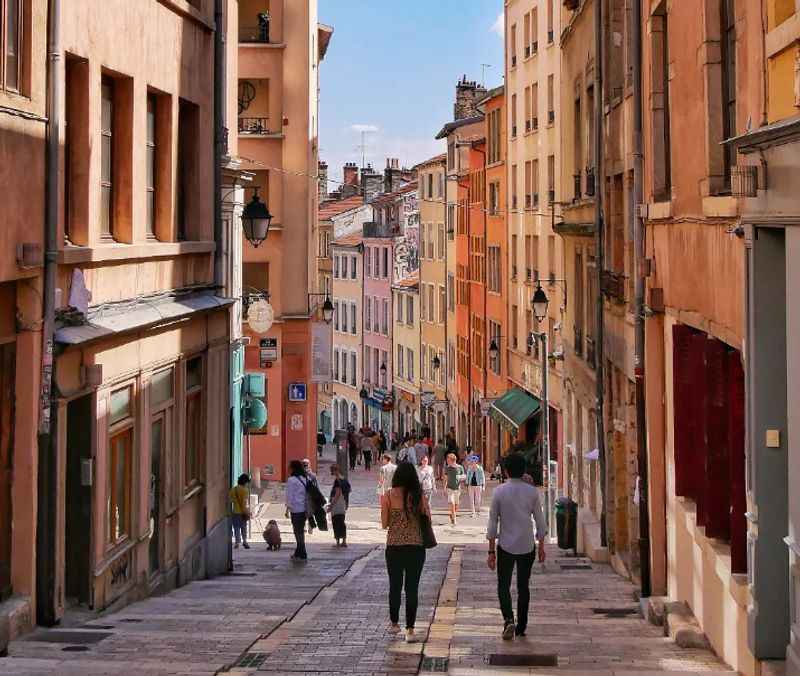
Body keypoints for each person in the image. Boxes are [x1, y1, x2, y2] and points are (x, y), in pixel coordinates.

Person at [486, 453, 547, 640]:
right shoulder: (532, 492)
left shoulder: (499, 492)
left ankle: (508, 620)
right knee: (523, 586)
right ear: (524, 471)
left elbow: (492, 523)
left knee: (503, 585)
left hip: (505, 545)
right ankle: (522, 625)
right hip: (527, 545)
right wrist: (542, 545)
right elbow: (540, 521)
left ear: (505, 471)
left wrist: (491, 550)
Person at [381, 462, 431, 643]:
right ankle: (410, 628)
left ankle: (394, 623)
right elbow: (428, 519)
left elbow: (384, 523)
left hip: (394, 547)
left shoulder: (388, 496)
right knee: (412, 588)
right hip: (416, 548)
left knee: (394, 586)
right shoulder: (419, 496)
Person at [285, 460, 309, 562]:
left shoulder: (291, 480)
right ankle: (299, 552)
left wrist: (287, 509)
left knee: (297, 531)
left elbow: (289, 496)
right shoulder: (304, 479)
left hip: (296, 509)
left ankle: (302, 552)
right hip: (304, 509)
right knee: (300, 531)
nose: (288, 468)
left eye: (289, 467)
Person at [329, 464, 350, 547]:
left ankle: (337, 541)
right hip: (343, 503)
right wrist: (347, 503)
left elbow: (337, 494)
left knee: (336, 522)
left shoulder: (337, 481)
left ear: (335, 471)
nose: (331, 473)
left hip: (337, 504)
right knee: (342, 522)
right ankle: (344, 541)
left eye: (332, 471)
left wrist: (331, 505)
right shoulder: (344, 479)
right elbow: (348, 492)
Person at [229, 473, 251, 549]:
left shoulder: (233, 489)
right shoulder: (245, 490)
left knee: (236, 527)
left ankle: (237, 543)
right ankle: (245, 541)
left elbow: (230, 500)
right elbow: (245, 503)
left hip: (235, 512)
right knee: (243, 527)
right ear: (245, 482)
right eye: (247, 482)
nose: (248, 484)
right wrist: (247, 512)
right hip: (243, 512)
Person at [443, 452, 466, 525]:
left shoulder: (460, 467)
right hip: (450, 488)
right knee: (452, 503)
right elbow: (445, 478)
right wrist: (444, 488)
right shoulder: (447, 468)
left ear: (452, 460)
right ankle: (454, 518)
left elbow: (464, 476)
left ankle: (452, 514)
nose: (447, 462)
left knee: (456, 505)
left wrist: (460, 477)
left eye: (448, 460)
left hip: (457, 489)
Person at [302, 458, 318, 534]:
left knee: (304, 513)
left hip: (304, 497)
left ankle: (305, 528)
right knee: (310, 514)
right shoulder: (313, 475)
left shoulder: (300, 475)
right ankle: (309, 528)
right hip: (309, 497)